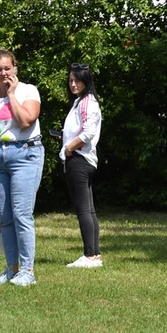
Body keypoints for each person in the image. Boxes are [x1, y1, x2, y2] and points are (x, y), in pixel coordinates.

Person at [0, 49, 43, 286]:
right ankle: (12, 269)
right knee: (5, 217)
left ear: (15, 68)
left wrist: (11, 94)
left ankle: (28, 271)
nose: (4, 72)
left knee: (22, 214)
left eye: (7, 68)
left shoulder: (28, 91)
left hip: (25, 153)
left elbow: (25, 122)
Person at [59, 63, 104, 268]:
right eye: (70, 80)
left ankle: (89, 256)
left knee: (83, 210)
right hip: (82, 158)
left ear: (86, 81)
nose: (73, 84)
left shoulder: (87, 101)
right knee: (89, 210)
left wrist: (69, 148)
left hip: (79, 159)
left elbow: (87, 133)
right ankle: (94, 254)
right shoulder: (80, 102)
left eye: (77, 80)